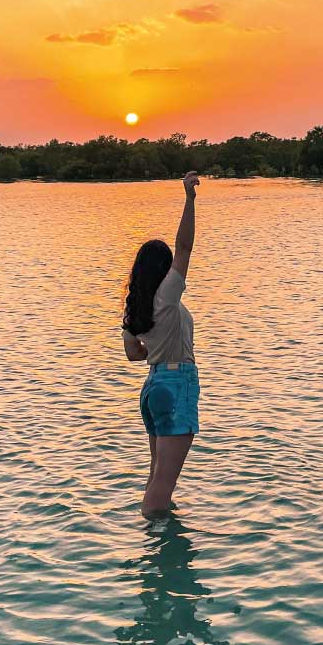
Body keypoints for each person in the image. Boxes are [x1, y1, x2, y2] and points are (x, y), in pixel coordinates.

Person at [121, 172, 199, 520]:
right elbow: (185, 247)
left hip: (153, 387)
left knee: (156, 477)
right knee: (160, 488)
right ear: (164, 269)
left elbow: (133, 353)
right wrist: (189, 199)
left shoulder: (134, 306)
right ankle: (156, 547)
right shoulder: (166, 296)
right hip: (174, 383)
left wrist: (156, 346)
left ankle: (158, 534)